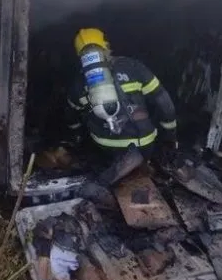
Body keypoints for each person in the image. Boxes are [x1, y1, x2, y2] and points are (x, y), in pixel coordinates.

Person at [66, 28, 178, 203]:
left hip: (106, 148)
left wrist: (77, 140)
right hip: (145, 144)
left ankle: (113, 179)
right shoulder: (134, 67)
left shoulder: (78, 84)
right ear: (107, 46)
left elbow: (72, 120)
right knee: (140, 185)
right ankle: (139, 178)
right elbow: (165, 104)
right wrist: (170, 136)